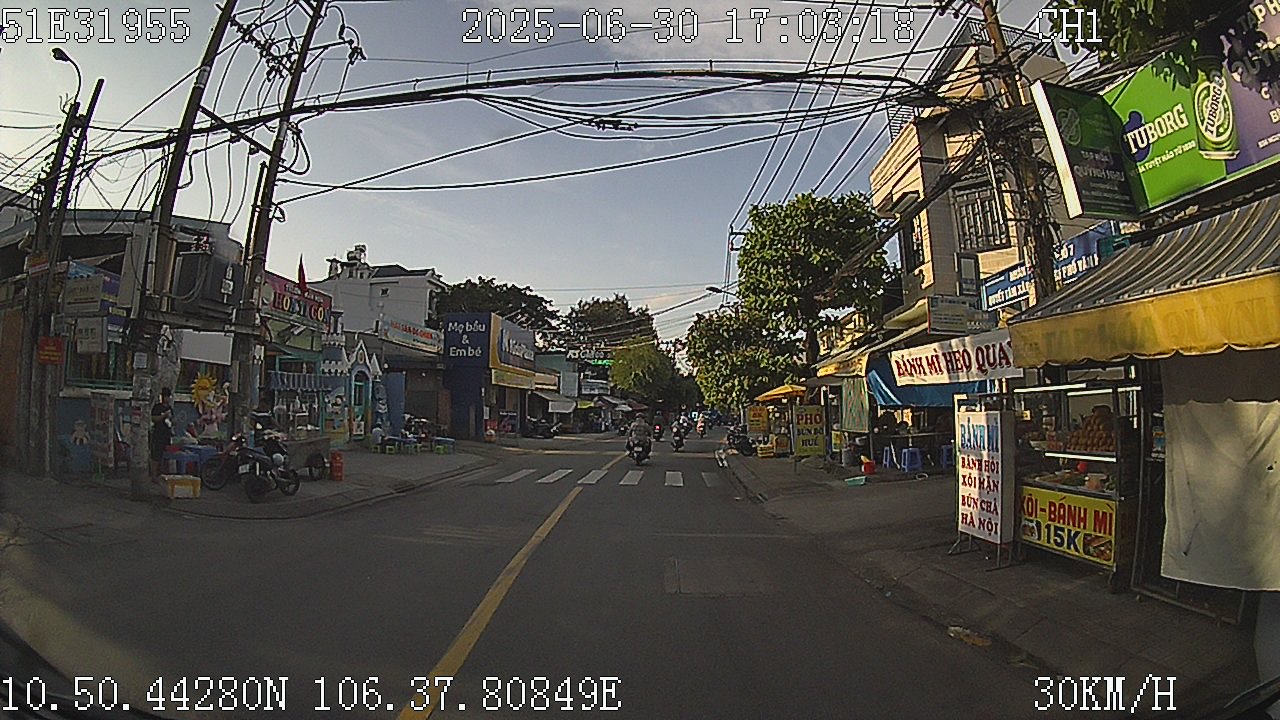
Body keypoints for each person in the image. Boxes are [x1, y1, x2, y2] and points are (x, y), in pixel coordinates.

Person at [149, 387, 175, 483]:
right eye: (165, 396)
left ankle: (163, 474)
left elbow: (171, 421)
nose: (166, 398)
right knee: (156, 455)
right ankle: (154, 475)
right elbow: (154, 418)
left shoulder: (170, 408)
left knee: (166, 455)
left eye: (168, 396)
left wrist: (173, 422)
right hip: (158, 433)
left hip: (166, 434)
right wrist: (163, 416)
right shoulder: (157, 407)